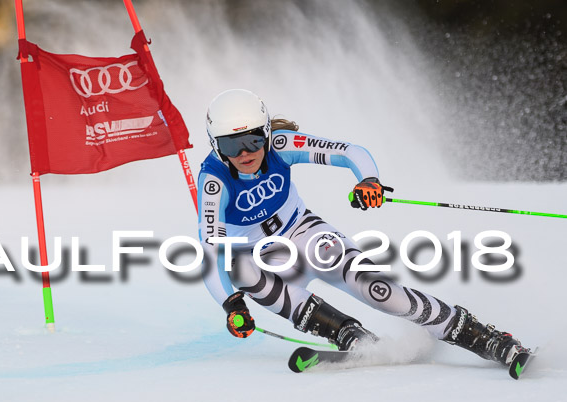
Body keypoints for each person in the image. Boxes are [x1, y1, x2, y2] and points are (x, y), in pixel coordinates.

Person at [197, 88, 528, 367]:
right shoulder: (214, 181)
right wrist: (231, 303)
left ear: (267, 133)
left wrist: (367, 180)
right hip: (261, 258)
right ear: (216, 146)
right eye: (230, 146)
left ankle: (484, 337)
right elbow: (211, 251)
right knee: (236, 267)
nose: (244, 153)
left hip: (305, 232)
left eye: (254, 141)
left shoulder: (281, 146)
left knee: (377, 291)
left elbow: (349, 152)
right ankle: (344, 332)